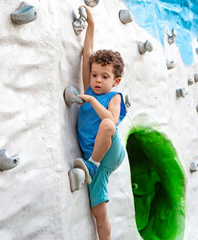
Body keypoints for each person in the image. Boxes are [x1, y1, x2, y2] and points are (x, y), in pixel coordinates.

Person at [73, 5, 126, 240]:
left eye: (105, 77)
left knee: (107, 125)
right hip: (95, 162)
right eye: (94, 75)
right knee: (98, 212)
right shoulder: (89, 87)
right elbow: (88, 53)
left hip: (110, 153)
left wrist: (92, 101)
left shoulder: (113, 96)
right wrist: (91, 25)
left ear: (116, 80)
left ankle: (92, 165)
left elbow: (111, 120)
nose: (96, 80)